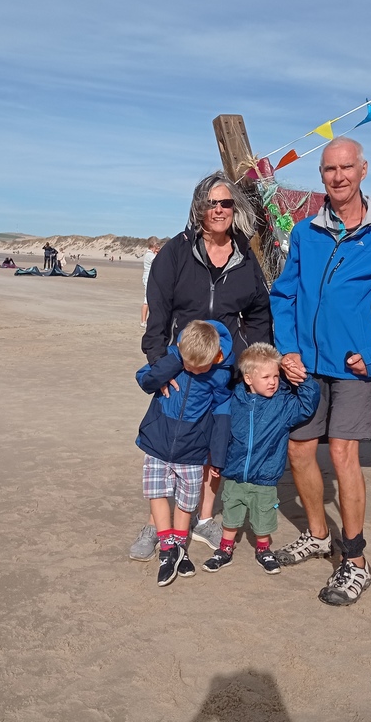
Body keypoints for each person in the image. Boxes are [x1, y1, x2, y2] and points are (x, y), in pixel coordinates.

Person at [269, 136, 371, 606]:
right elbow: (284, 296)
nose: (338, 176)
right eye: (329, 169)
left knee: (341, 455)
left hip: (355, 369)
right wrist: (288, 351)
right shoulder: (305, 233)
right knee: (298, 451)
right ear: (322, 175)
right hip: (306, 366)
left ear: (363, 170)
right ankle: (318, 535)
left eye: (346, 167)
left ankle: (352, 559)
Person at [129, 171, 272, 561]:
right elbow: (157, 311)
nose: (220, 210)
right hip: (182, 364)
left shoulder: (245, 258)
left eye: (226, 203)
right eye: (213, 203)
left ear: (235, 208)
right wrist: (159, 362)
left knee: (214, 444)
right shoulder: (175, 252)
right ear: (199, 207)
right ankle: (159, 526)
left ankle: (204, 518)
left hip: (222, 371)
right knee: (166, 443)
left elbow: (260, 312)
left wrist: (245, 355)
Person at [202, 343, 320, 575]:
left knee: (263, 514)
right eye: (266, 377)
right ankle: (225, 549)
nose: (273, 381)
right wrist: (216, 459)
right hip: (235, 473)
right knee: (231, 512)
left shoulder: (283, 405)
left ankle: (263, 549)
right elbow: (221, 433)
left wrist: (304, 381)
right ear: (248, 378)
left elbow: (307, 406)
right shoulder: (233, 401)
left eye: (276, 376)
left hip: (265, 475)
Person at [135, 320, 234, 587]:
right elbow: (145, 379)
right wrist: (172, 364)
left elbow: (222, 416)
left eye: (198, 367)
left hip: (192, 449)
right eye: (187, 363)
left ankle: (179, 544)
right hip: (157, 440)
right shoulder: (172, 357)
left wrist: (218, 456)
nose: (191, 370)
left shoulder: (220, 374)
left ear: (215, 357)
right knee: (156, 492)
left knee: (186, 500)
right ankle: (167, 545)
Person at [139, 237, 161, 328]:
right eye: (157, 245)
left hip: (150, 278)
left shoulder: (151, 254)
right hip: (148, 278)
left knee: (151, 299)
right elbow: (158, 262)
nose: (159, 247)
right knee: (147, 300)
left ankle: (146, 320)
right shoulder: (149, 255)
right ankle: (143, 321)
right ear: (154, 245)